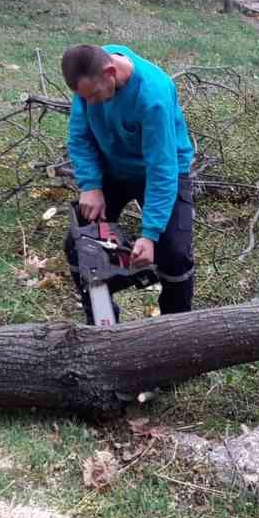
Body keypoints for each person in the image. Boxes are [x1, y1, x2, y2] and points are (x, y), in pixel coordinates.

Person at [61, 44, 196, 322]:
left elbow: (161, 168)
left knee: (174, 253)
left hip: (162, 169)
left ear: (110, 72)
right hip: (114, 166)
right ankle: (102, 322)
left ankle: (177, 331)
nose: (92, 103)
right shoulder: (88, 79)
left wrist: (150, 234)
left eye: (95, 95)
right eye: (86, 98)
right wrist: (91, 185)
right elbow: (79, 137)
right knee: (80, 244)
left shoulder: (153, 94)